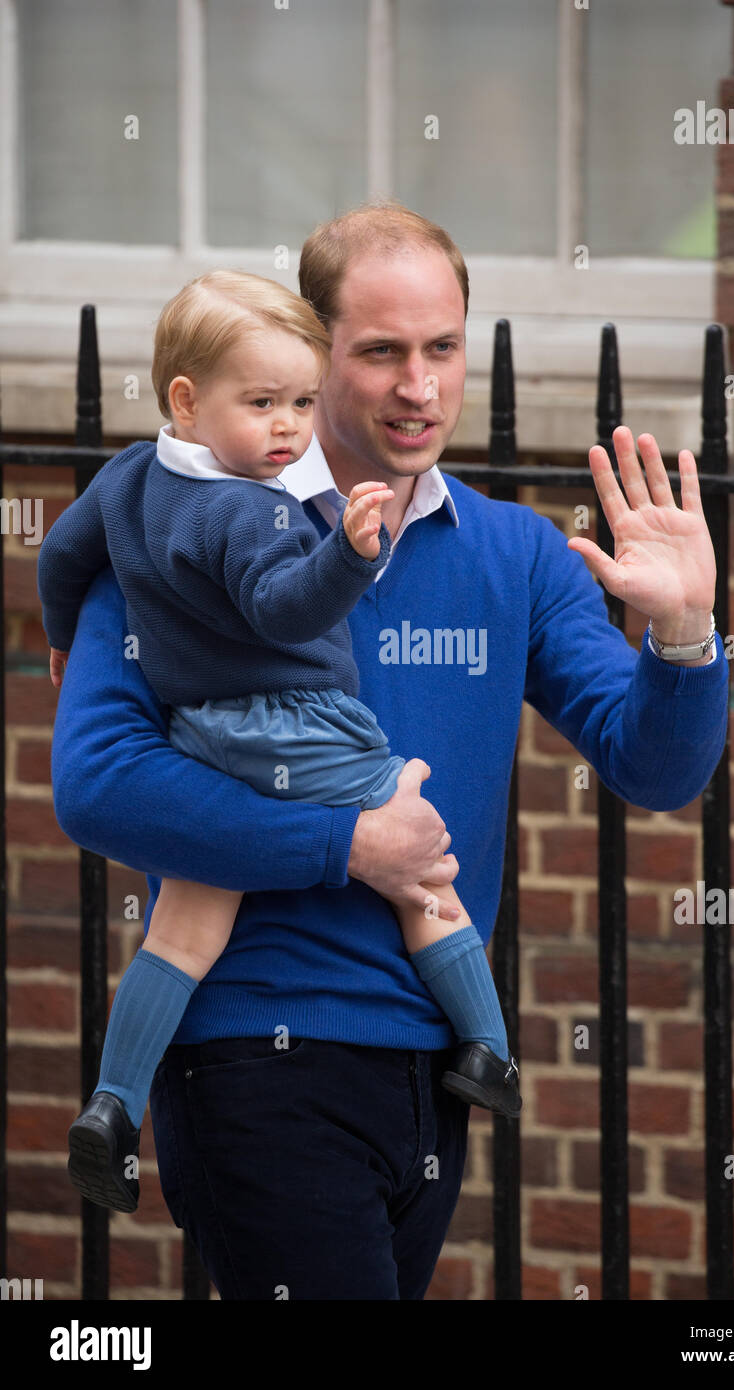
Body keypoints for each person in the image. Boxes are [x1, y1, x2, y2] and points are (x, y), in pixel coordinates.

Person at [47, 201, 728, 1300]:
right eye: (380, 352)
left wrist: (684, 630)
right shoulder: (185, 534)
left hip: (430, 1068)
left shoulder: (515, 555)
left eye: (443, 348)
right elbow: (97, 787)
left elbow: (654, 767)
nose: (420, 386)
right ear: (313, 354)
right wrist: (348, 843)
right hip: (251, 1051)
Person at [38, 268, 522, 1214]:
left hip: (203, 740)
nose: (289, 429)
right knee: (424, 867)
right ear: (187, 399)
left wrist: (62, 635)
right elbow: (280, 605)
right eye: (262, 404)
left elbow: (62, 555)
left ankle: (111, 1105)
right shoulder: (255, 509)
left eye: (301, 401)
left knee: (183, 928)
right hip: (304, 727)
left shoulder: (126, 480)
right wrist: (348, 554)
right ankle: (491, 1052)